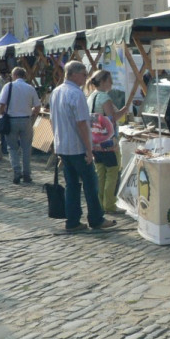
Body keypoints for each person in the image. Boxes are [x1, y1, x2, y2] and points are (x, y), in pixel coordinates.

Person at [50, 61, 116, 233]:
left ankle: (72, 221)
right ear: (74, 74)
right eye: (84, 74)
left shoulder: (57, 91)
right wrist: (89, 149)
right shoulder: (76, 93)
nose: (86, 77)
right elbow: (81, 124)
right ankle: (96, 218)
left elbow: (53, 119)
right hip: (76, 146)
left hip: (63, 145)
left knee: (72, 185)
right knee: (90, 183)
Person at [86, 69, 132, 215]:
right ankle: (110, 204)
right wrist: (124, 111)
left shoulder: (91, 96)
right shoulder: (104, 97)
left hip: (94, 140)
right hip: (107, 141)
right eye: (110, 80)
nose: (112, 83)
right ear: (104, 81)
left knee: (100, 172)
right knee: (112, 171)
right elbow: (111, 119)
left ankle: (101, 202)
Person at [0, 67, 41, 184]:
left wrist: (2, 115)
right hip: (26, 120)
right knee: (26, 148)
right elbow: (37, 107)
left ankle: (17, 171)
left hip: (11, 120)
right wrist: (32, 115)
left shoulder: (8, 86)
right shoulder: (30, 88)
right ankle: (27, 174)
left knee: (12, 148)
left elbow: (2, 105)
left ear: (14, 75)